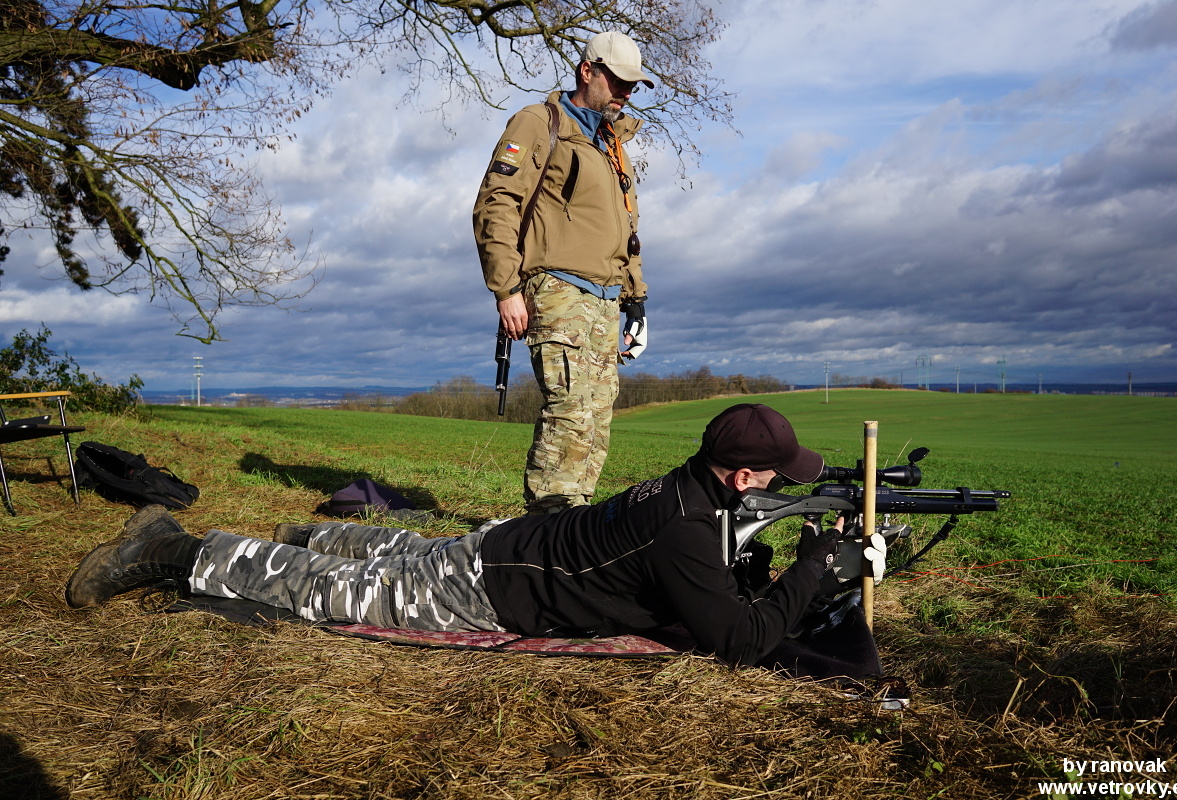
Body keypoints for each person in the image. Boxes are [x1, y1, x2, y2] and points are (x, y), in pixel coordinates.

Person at [65, 404, 881, 679]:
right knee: (328, 592)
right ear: (742, 477)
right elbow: (740, 641)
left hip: (506, 546)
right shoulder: (684, 532)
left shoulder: (682, 487)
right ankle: (166, 547)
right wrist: (816, 565)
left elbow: (709, 575)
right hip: (489, 588)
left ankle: (308, 531)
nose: (782, 483)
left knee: (395, 553)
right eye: (776, 476)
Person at [473, 31, 652, 515]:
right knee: (569, 407)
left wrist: (636, 300)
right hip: (556, 288)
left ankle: (575, 518)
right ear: (587, 70)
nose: (625, 92)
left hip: (606, 298)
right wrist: (506, 288)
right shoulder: (538, 122)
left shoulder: (612, 144)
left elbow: (628, 230)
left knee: (597, 414)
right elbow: (497, 204)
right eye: (617, 80)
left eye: (632, 85)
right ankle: (548, 521)